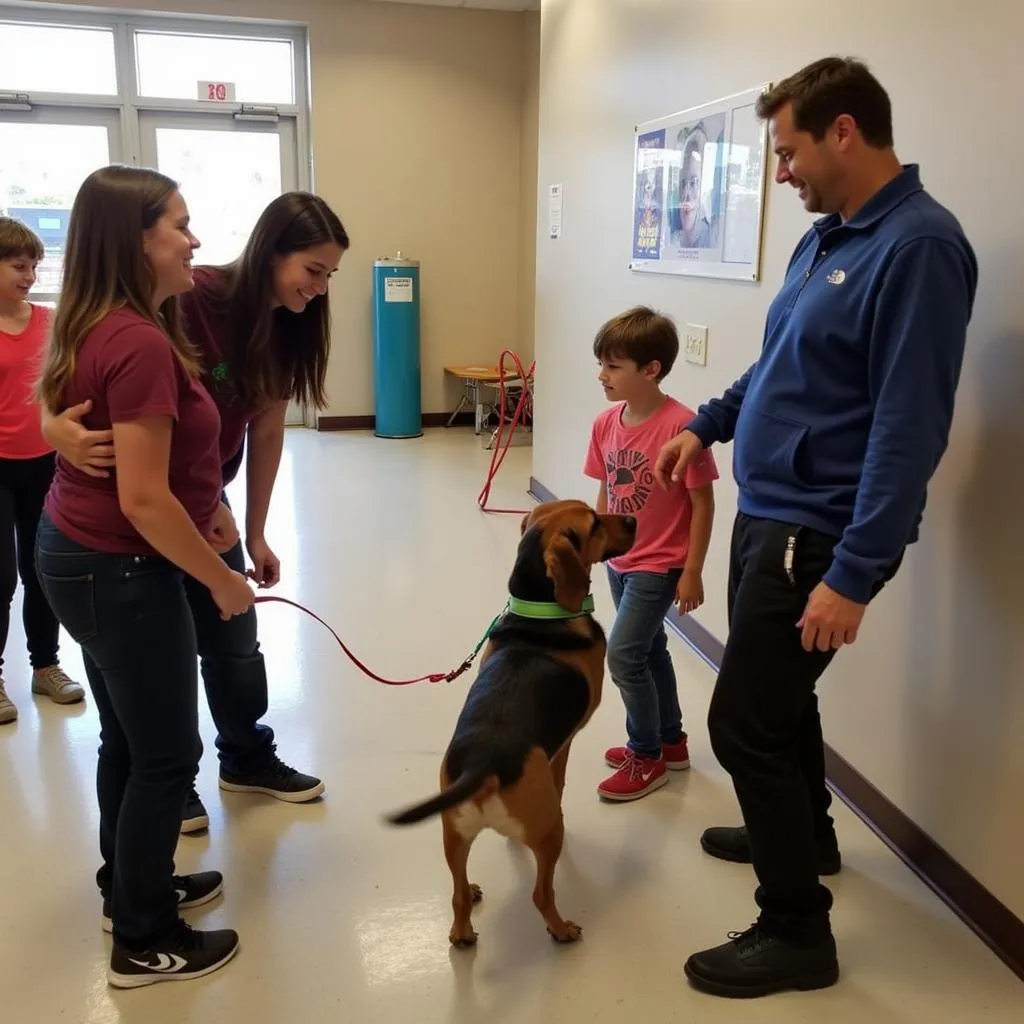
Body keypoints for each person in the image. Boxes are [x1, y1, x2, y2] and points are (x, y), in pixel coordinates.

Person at [653, 58, 977, 998]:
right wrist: (705, 423)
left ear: (844, 132)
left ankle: (797, 932)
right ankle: (810, 836)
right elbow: (780, 364)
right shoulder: (827, 240)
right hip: (769, 513)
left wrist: (856, 573)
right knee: (780, 701)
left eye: (789, 151)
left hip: (820, 535)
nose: (781, 172)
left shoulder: (918, 248)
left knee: (743, 721)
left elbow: (909, 427)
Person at [43, 191, 349, 834]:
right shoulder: (191, 294)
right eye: (312, 271)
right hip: (155, 509)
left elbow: (266, 431)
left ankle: (246, 758)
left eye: (329, 277)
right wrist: (51, 425)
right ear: (271, 252)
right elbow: (92, 361)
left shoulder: (289, 326)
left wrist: (256, 530)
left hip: (210, 499)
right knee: (162, 661)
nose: (319, 290)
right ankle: (170, 782)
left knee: (235, 641)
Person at [34, 165, 256, 986]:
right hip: (118, 566)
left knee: (130, 737)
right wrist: (221, 581)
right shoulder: (133, 339)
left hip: (83, 557)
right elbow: (144, 500)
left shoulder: (111, 321)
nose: (194, 240)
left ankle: (129, 885)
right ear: (136, 240)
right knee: (167, 754)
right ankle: (144, 938)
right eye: (180, 224)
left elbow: (140, 467)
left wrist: (212, 506)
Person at [583, 306, 717, 801]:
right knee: (650, 648)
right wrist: (596, 545)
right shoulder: (605, 423)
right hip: (620, 561)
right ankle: (670, 741)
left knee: (622, 656)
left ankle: (646, 755)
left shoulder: (684, 428)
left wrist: (693, 571)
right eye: (602, 364)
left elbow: (702, 502)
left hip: (661, 565)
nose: (602, 376)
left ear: (651, 370)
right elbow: (604, 493)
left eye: (613, 366)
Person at [0, 218, 85, 724]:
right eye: (17, 265)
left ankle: (45, 665)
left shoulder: (50, 322)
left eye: (34, 265)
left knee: (42, 573)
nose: (29, 274)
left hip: (44, 464)